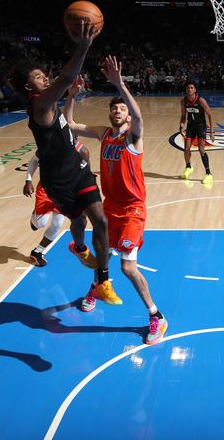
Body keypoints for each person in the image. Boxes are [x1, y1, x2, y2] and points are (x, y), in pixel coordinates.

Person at [13, 21, 122, 310]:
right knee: (78, 222)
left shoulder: (50, 106)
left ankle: (103, 281)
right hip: (58, 182)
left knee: (101, 220)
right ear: (29, 87)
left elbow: (64, 127)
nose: (45, 78)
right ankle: (79, 247)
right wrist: (83, 47)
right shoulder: (39, 105)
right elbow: (63, 79)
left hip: (79, 171)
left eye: (43, 75)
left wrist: (77, 143)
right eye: (38, 77)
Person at [63, 56, 168, 346]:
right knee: (103, 257)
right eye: (114, 108)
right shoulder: (104, 133)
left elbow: (140, 117)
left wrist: (120, 84)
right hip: (109, 208)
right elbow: (69, 124)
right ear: (109, 114)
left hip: (133, 210)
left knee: (127, 267)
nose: (118, 111)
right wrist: (71, 96)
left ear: (129, 116)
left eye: (122, 108)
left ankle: (156, 316)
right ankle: (96, 288)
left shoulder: (133, 138)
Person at [22, 152, 66, 267]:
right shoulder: (47, 145)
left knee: (58, 223)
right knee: (40, 224)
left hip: (64, 191)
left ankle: (37, 252)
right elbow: (34, 161)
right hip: (46, 189)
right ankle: (34, 217)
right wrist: (28, 180)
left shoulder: (78, 148)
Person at [179, 83, 215, 185]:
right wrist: (181, 126)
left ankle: (208, 174)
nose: (190, 89)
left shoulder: (200, 101)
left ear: (195, 90)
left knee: (201, 149)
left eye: (192, 88)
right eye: (188, 88)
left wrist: (211, 131)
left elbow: (210, 115)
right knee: (186, 149)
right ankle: (188, 167)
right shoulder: (183, 101)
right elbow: (183, 116)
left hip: (201, 126)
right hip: (190, 126)